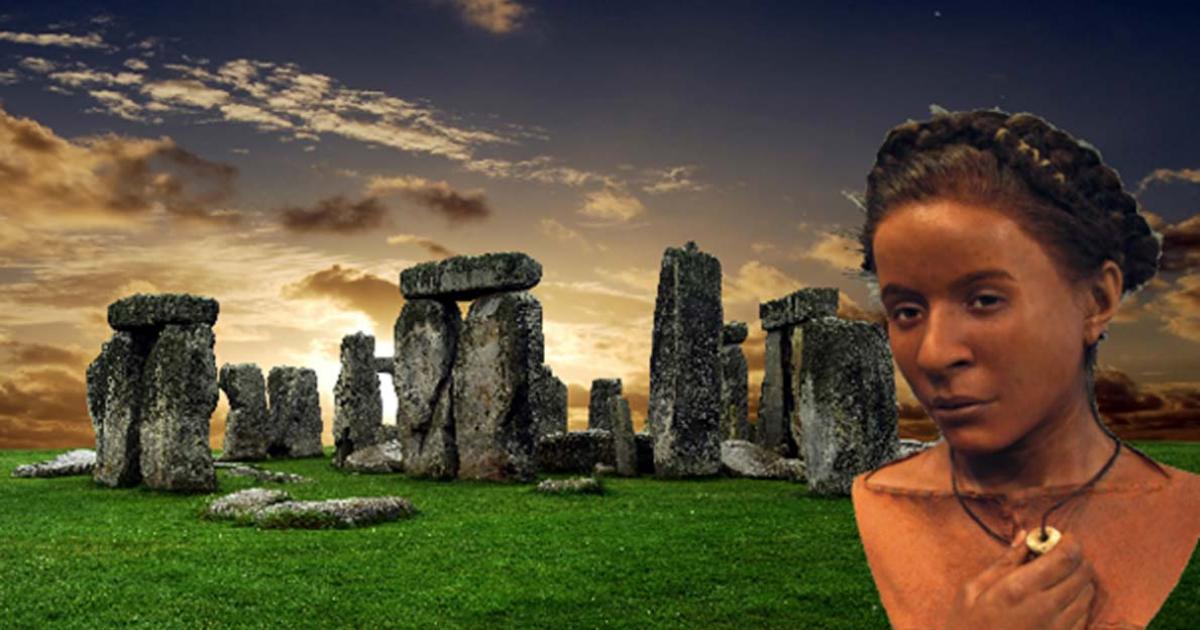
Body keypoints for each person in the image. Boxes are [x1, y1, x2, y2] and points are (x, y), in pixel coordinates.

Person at [848, 107, 1200, 629]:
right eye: (907, 312)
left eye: (985, 300)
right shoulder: (867, 507)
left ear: (1098, 299)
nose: (933, 354)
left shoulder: (1186, 511)